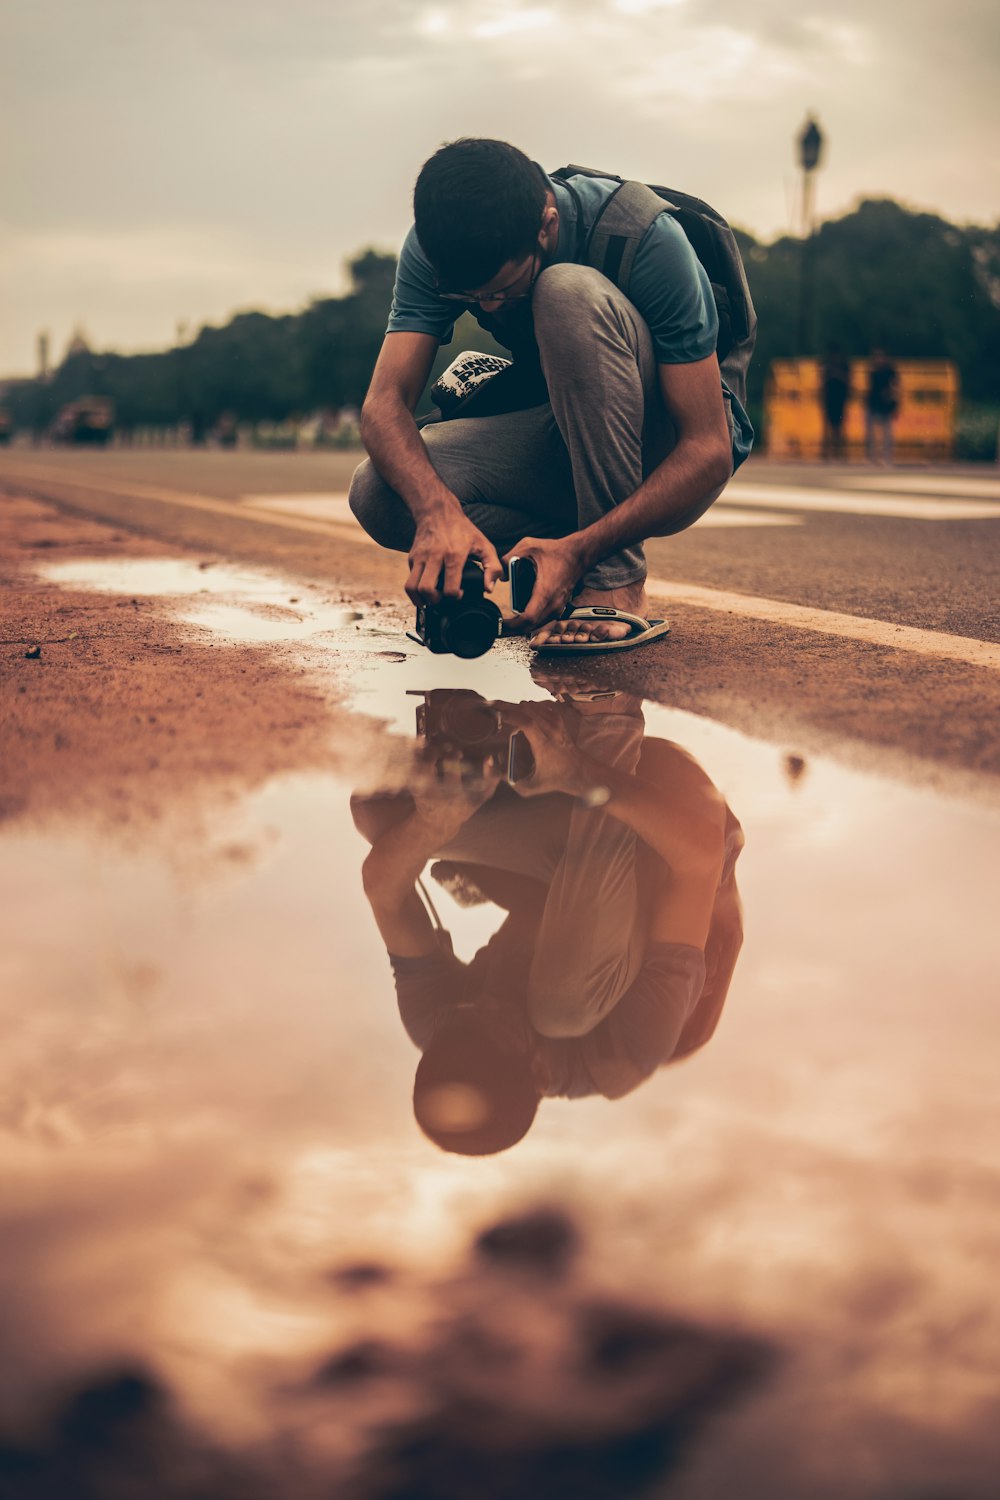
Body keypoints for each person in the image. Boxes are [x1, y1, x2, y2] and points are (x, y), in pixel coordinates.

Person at [349, 138, 754, 653]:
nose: (489, 308)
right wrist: (438, 514)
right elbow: (383, 406)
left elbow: (707, 450)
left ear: (546, 225)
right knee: (378, 492)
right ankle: (559, 554)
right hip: (566, 436)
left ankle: (615, 581)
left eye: (502, 290)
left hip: (665, 449)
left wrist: (588, 552)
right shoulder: (435, 248)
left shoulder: (644, 238)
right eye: (470, 299)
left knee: (564, 292)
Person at [352, 686, 745, 1155]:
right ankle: (607, 713)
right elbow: (698, 856)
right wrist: (579, 771)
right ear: (538, 1070)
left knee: (378, 813)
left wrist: (435, 823)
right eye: (489, 1026)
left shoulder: (435, 1027)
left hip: (572, 842)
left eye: (459, 1021)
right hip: (675, 819)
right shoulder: (624, 1052)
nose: (474, 1007)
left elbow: (383, 888)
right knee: (562, 1011)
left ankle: (547, 741)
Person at [865, 348, 899, 465]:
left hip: (885, 405)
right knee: (871, 433)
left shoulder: (890, 371)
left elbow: (896, 387)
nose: (879, 360)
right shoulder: (873, 371)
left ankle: (887, 457)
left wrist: (894, 400)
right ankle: (872, 457)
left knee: (887, 433)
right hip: (873, 403)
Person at [821, 344, 850, 461]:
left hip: (840, 398)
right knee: (827, 426)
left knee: (839, 427)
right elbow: (822, 382)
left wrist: (838, 374)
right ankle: (827, 452)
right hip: (829, 398)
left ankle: (839, 452)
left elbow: (849, 380)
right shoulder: (828, 366)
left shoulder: (844, 366)